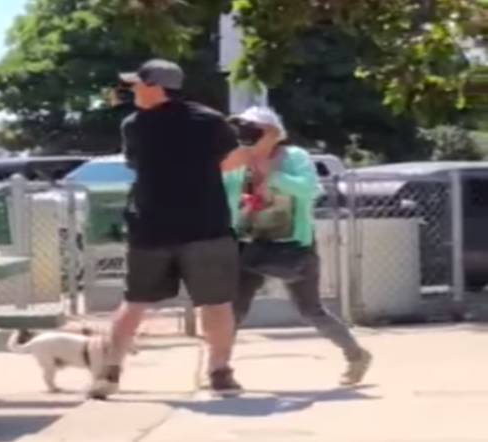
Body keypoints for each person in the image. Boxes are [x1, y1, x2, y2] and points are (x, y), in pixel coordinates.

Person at [89, 59, 242, 399]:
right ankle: (220, 372)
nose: (133, 90)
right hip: (207, 225)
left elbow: (134, 163)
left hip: (151, 227)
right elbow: (231, 163)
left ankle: (109, 374)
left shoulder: (134, 125)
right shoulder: (211, 120)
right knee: (216, 304)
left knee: (135, 302)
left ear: (156, 86)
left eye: (138, 84)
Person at [222, 106, 372, 386]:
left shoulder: (294, 158)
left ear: (273, 133)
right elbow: (223, 190)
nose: (245, 135)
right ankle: (220, 368)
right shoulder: (239, 160)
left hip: (291, 244)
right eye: (241, 129)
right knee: (235, 309)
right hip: (248, 243)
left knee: (309, 309)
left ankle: (356, 355)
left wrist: (271, 174)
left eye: (253, 129)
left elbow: (308, 190)